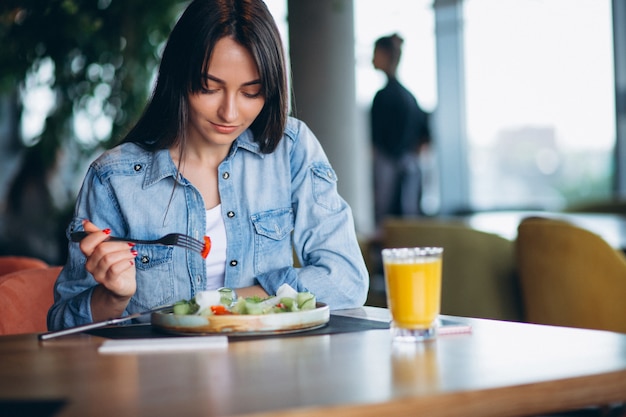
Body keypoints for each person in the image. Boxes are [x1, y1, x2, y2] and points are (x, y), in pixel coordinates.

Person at [48, 0, 369, 330]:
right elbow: (61, 324)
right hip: (160, 376)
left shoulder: (290, 149)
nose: (229, 114)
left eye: (251, 92)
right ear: (179, 76)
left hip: (269, 370)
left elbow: (345, 281)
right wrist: (112, 298)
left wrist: (216, 307)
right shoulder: (114, 179)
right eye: (209, 88)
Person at [371, 33, 431, 231]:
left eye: (376, 53)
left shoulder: (383, 97)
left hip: (391, 166)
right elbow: (426, 136)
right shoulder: (410, 98)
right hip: (409, 167)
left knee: (385, 219)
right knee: (408, 219)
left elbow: (376, 143)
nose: (373, 59)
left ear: (386, 55)